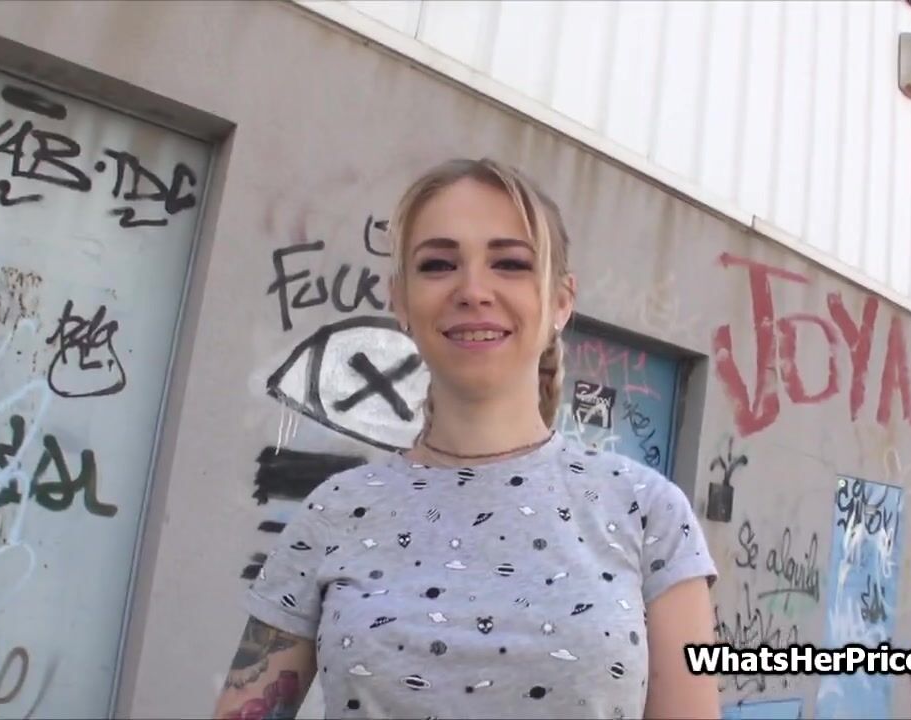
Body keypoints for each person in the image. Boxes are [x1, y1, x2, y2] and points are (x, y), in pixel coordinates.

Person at [213, 158, 720, 720]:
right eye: (438, 264)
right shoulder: (335, 512)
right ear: (401, 301)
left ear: (561, 301)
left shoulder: (648, 513)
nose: (474, 290)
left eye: (510, 263)